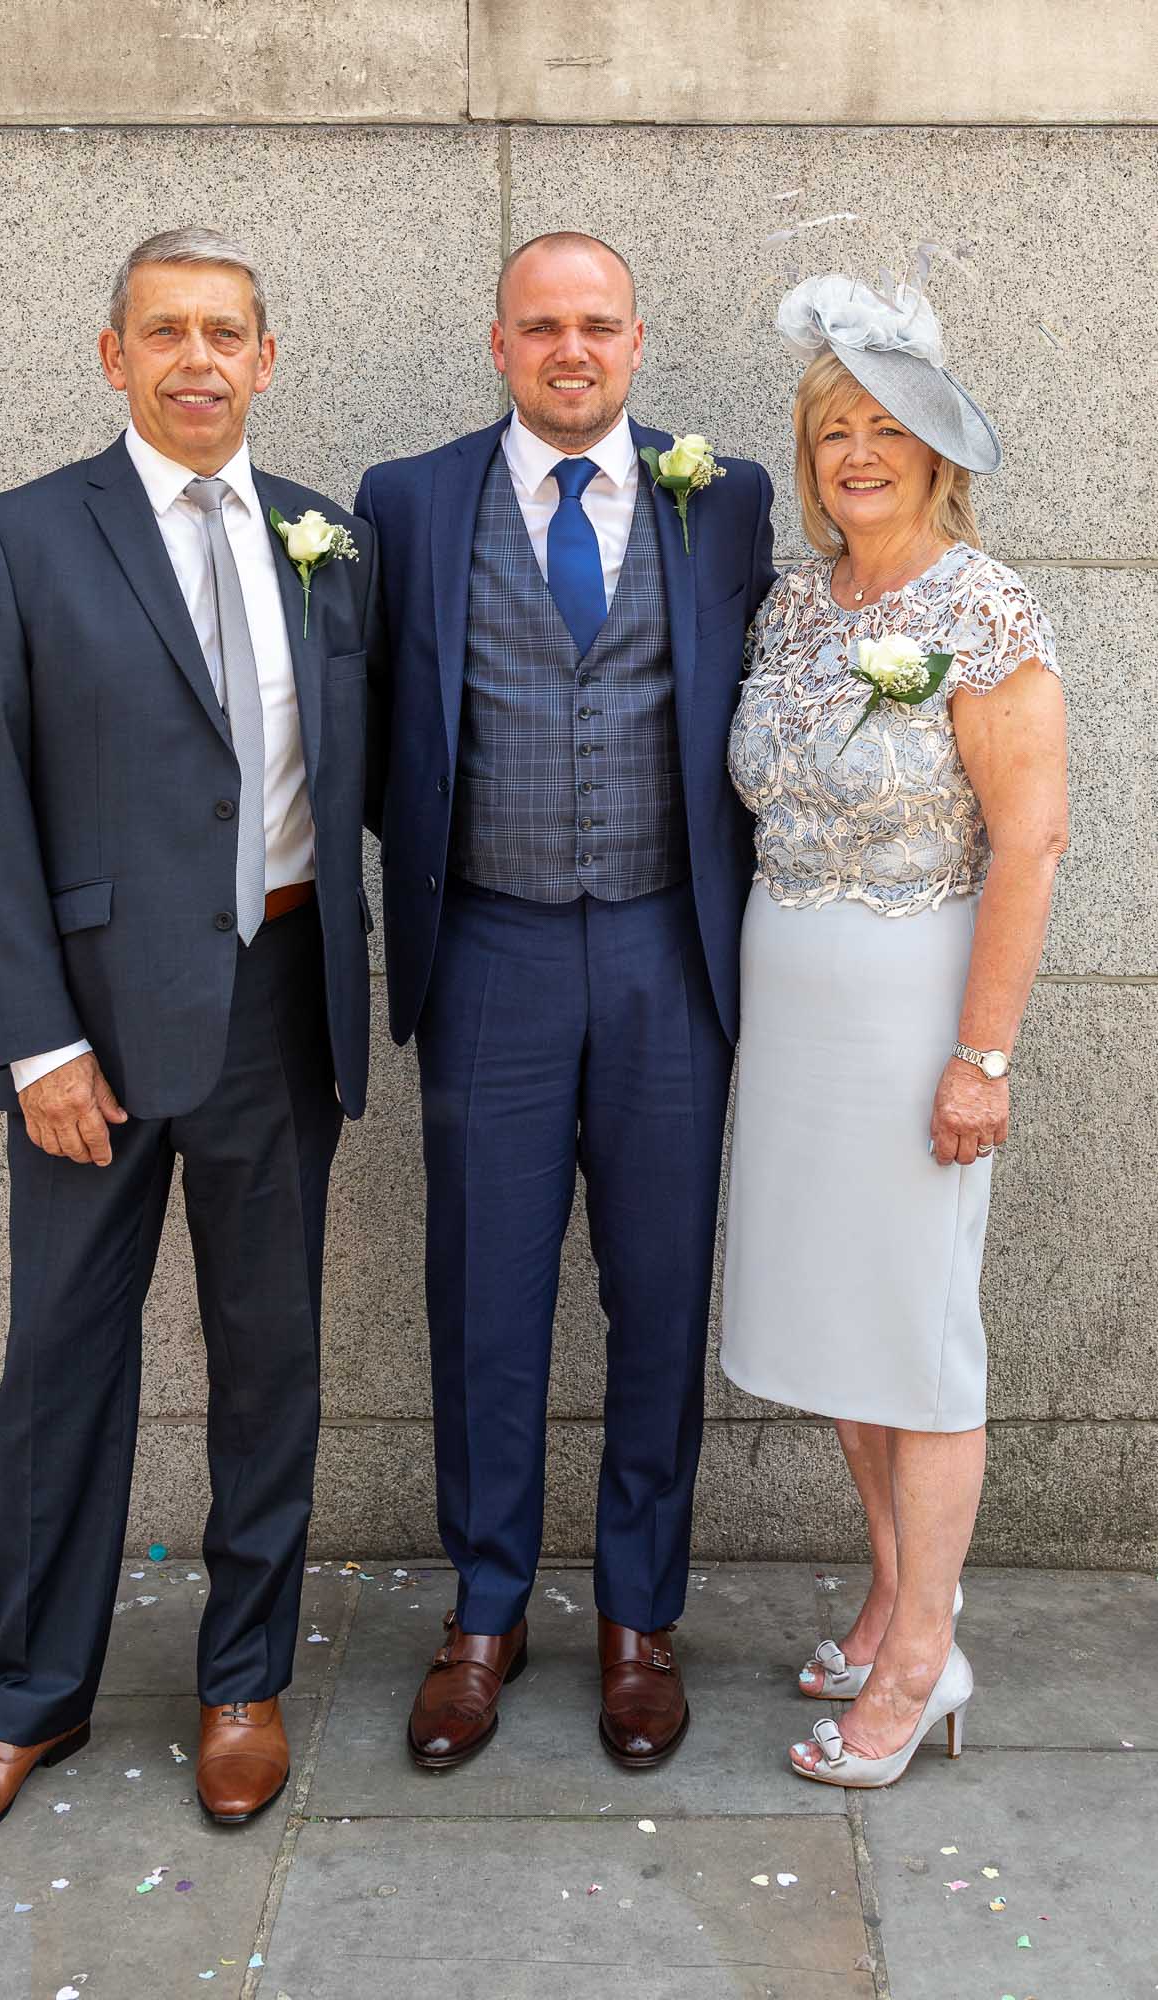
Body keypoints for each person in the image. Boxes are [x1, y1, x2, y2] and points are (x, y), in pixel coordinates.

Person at [0, 226, 377, 1850]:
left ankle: (243, 1680)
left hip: (283, 1005)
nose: (197, 359)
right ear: (113, 356)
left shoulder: (330, 539)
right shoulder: (18, 535)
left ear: (266, 358)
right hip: (94, 1033)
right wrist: (35, 1043)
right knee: (62, 1367)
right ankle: (28, 1699)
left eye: (224, 333)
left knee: (270, 1362)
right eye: (164, 331)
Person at [358, 231, 775, 1770]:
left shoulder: (724, 498)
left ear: (637, 341)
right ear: (499, 344)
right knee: (485, 1295)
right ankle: (485, 1610)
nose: (572, 349)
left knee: (658, 1293)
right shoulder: (409, 500)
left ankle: (639, 1618)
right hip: (492, 952)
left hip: (671, 952)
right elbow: (378, 726)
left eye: (598, 324)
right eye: (542, 326)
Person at [723, 274, 1068, 1787]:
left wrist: (981, 1059)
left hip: (915, 1007)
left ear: (938, 451)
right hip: (793, 1011)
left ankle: (926, 1656)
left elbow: (1031, 844)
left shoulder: (985, 609)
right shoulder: (802, 602)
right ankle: (888, 1597)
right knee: (847, 1330)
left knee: (918, 1342)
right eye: (832, 431)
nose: (857, 453)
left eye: (887, 427)